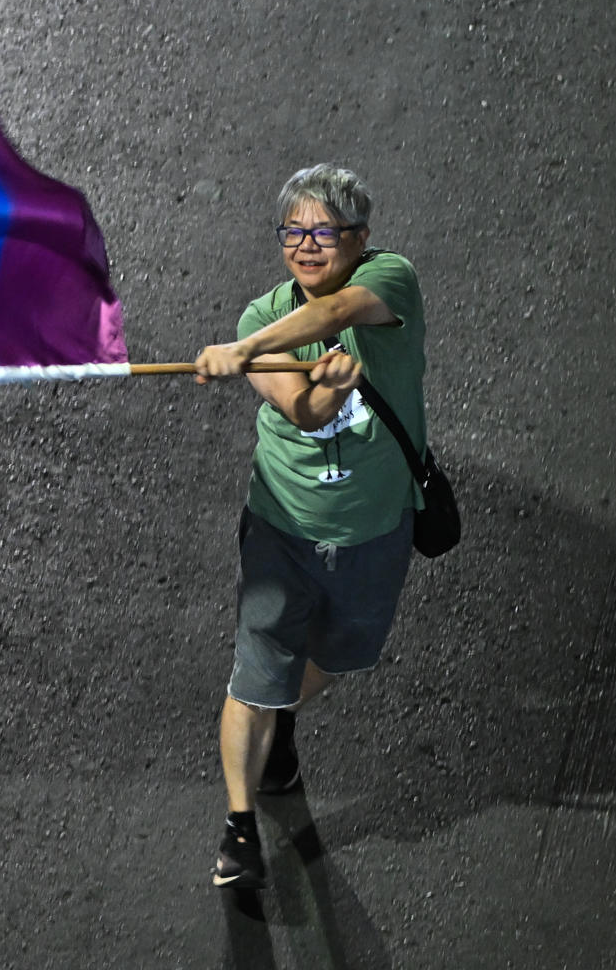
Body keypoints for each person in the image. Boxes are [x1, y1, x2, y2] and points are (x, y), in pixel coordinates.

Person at [192, 163, 428, 888]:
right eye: (292, 232)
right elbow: (301, 410)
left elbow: (336, 313)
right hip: (283, 529)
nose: (305, 246)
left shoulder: (390, 279)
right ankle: (239, 826)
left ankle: (279, 712)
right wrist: (314, 386)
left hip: (374, 529)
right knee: (254, 676)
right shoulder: (259, 321)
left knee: (344, 656)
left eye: (323, 233)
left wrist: (244, 356)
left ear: (360, 238)